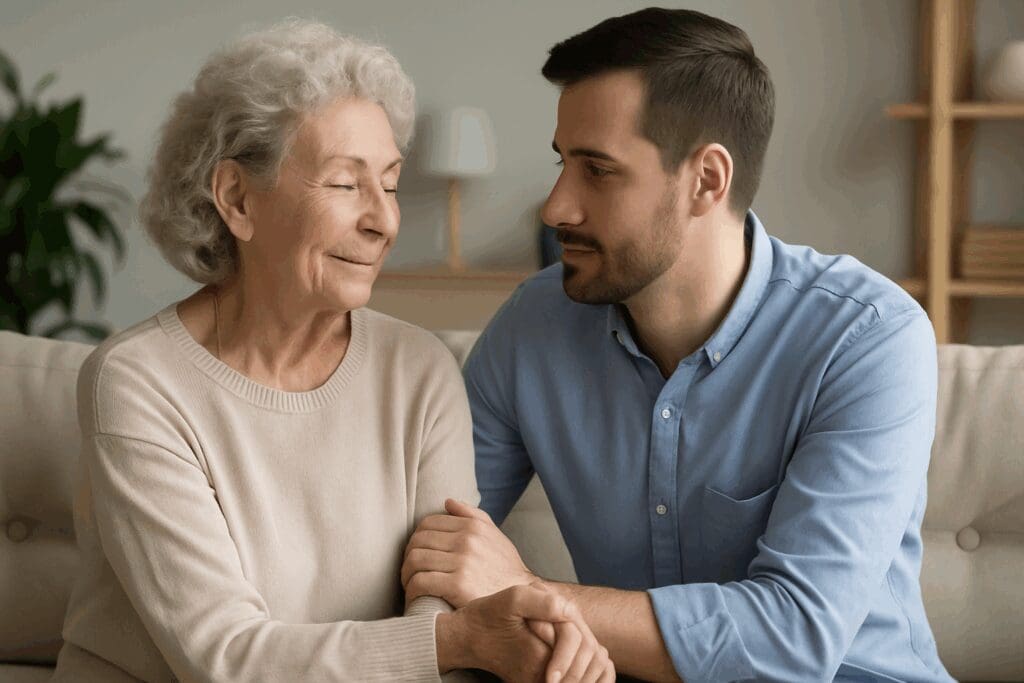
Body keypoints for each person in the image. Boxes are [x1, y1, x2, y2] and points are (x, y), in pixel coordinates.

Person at [52, 18, 613, 683]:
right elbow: (223, 656)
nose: (383, 219)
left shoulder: (419, 369)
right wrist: (454, 642)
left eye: (392, 182)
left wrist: (518, 641)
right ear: (236, 198)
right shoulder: (139, 381)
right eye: (347, 185)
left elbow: (440, 596)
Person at [402, 7, 954, 682]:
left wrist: (532, 593)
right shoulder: (533, 327)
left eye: (597, 170)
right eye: (562, 163)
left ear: (707, 180)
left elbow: (794, 635)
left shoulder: (867, 338)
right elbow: (434, 539)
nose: (555, 206)